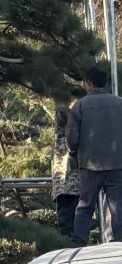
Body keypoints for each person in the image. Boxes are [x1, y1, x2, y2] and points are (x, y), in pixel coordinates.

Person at [68, 66, 122, 245]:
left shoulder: (80, 106)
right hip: (117, 164)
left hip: (89, 165)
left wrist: (74, 154)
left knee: (85, 206)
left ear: (89, 83)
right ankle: (118, 244)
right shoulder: (119, 103)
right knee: (117, 207)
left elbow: (72, 137)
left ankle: (79, 243)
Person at [52, 98, 82, 238]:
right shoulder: (65, 123)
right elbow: (63, 113)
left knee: (75, 223)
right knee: (67, 225)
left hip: (72, 183)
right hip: (67, 181)